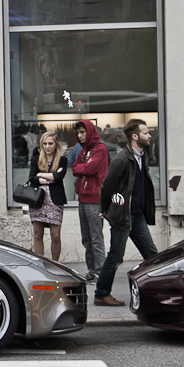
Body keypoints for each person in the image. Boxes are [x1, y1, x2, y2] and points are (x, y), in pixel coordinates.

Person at [94, 119, 159, 307]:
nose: (149, 136)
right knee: (115, 257)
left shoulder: (142, 157)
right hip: (123, 218)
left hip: (137, 217)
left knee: (153, 256)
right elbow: (107, 187)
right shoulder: (122, 159)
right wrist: (106, 210)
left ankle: (157, 292)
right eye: (146, 133)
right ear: (135, 136)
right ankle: (101, 294)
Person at [72, 119, 109, 282]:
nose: (80, 136)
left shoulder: (100, 149)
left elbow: (89, 168)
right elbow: (74, 168)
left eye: (82, 132)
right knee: (86, 238)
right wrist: (83, 168)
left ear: (90, 132)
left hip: (95, 200)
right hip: (83, 199)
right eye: (78, 133)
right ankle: (91, 269)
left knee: (96, 238)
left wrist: (83, 168)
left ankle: (101, 271)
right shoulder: (84, 150)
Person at [27, 131, 67, 261]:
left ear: (56, 144)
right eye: (45, 144)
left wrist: (41, 175)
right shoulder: (36, 159)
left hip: (55, 201)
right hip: (38, 200)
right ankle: (41, 263)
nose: (47, 146)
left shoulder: (62, 160)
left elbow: (59, 177)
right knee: (38, 234)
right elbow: (32, 179)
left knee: (55, 235)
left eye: (50, 143)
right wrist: (51, 178)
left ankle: (55, 263)